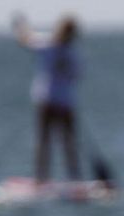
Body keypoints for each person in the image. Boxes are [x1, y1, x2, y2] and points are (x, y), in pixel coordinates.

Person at [13, 13, 80, 183]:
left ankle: (71, 179)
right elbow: (26, 39)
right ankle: (44, 178)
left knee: (62, 141)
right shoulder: (55, 48)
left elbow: (25, 39)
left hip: (58, 100)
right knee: (50, 140)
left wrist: (20, 26)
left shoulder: (57, 49)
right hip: (53, 100)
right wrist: (20, 26)